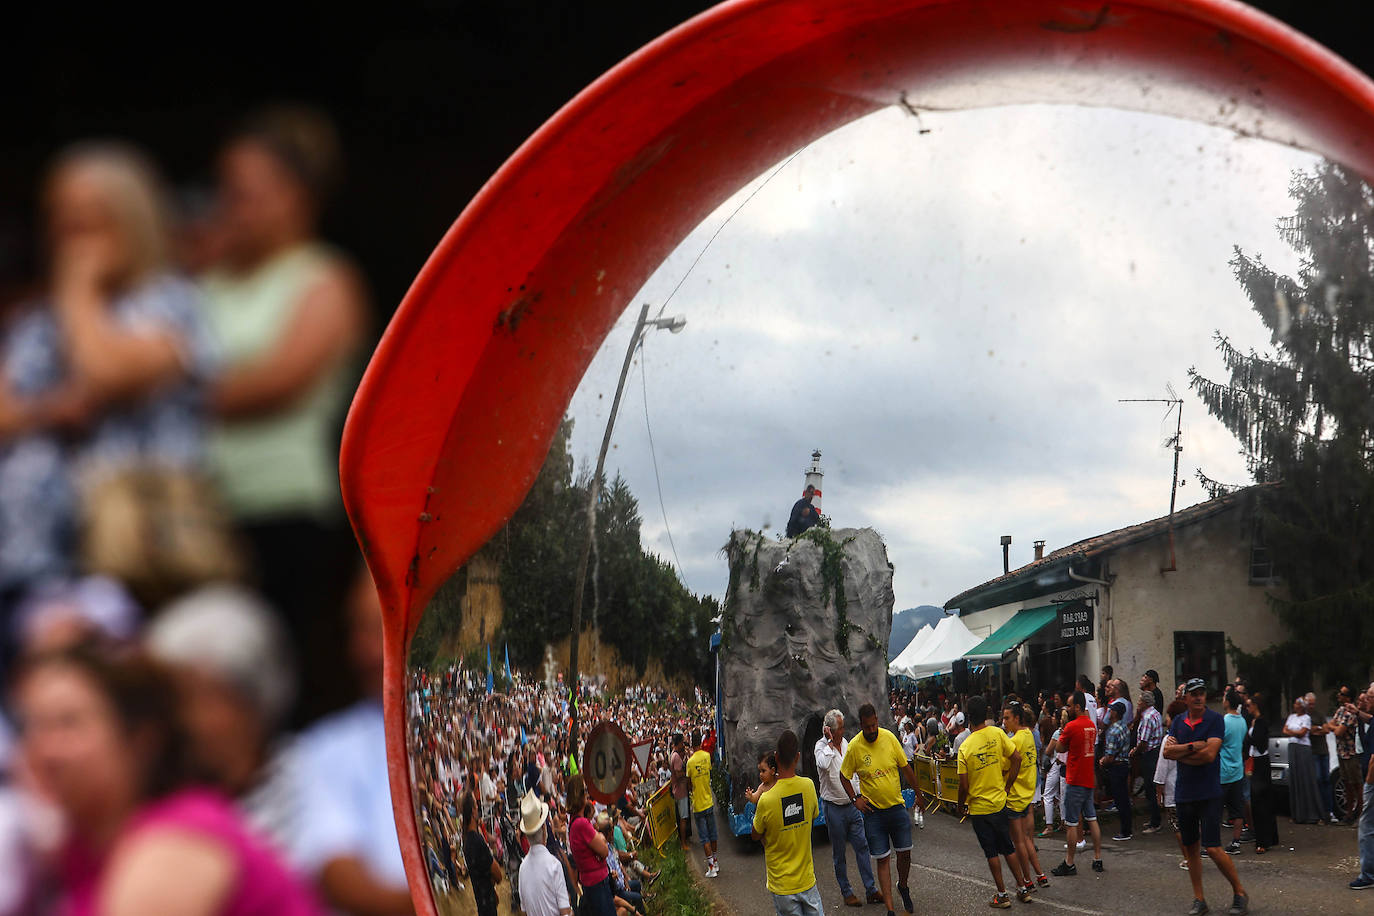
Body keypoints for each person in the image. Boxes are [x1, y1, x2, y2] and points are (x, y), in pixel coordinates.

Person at [201, 106, 368, 723]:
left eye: (247, 193)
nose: (231, 207)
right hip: (203, 516)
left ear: (296, 196)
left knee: (288, 678)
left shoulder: (325, 278)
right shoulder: (207, 282)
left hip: (289, 514)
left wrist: (168, 388)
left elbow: (279, 380)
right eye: (227, 192)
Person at [0, 143, 218, 606]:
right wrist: (50, 408)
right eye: (61, 219)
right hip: (30, 553)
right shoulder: (36, 321)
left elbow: (104, 373)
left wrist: (78, 289)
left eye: (90, 219)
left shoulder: (170, 302)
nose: (72, 236)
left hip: (139, 553)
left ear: (133, 219)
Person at [13, 643, 322, 916]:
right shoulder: (77, 847)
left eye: (68, 725)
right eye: (32, 726)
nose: (44, 749)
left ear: (141, 740)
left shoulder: (180, 837)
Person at [291, 567, 413, 915]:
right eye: (357, 631)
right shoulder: (323, 746)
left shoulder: (453, 725)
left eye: (379, 630)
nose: (364, 653)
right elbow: (342, 881)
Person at [143, 584, 298, 852]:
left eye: (196, 696)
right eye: (171, 700)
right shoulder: (157, 798)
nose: (182, 719)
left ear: (253, 700)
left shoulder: (316, 781)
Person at [1163, 678, 1249, 916]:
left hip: (1209, 792)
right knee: (1190, 849)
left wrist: (1180, 752)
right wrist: (1192, 747)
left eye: (1202, 693)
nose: (1199, 697)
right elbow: (1167, 752)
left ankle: (1240, 892)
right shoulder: (1178, 722)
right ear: (1186, 698)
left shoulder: (1215, 720)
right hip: (1184, 793)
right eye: (1194, 694)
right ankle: (1199, 899)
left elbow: (1210, 755)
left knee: (1212, 848)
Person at [840, 703, 925, 916]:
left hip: (896, 808)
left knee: (905, 854)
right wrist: (855, 799)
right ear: (861, 725)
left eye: (874, 725)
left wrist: (919, 794)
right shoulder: (854, 747)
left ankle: (903, 886)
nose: (871, 730)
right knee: (883, 859)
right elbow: (844, 776)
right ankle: (890, 909)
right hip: (873, 814)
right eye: (867, 727)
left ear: (877, 720)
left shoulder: (888, 738)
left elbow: (906, 768)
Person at [752, 730, 823, 916]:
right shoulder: (808, 786)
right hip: (807, 880)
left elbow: (755, 834)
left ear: (776, 757)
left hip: (781, 884)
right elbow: (814, 815)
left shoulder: (766, 800)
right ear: (797, 757)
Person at [814, 709, 879, 907]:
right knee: (839, 853)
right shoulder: (820, 746)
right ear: (830, 730)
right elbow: (823, 764)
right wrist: (830, 743)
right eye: (840, 728)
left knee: (862, 846)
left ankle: (871, 889)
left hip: (851, 805)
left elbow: (853, 772)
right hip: (833, 808)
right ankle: (847, 892)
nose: (843, 730)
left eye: (842, 727)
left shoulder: (846, 743)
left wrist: (858, 795)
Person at [1051, 691, 1103, 877]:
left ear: (1078, 707)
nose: (1068, 708)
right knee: (1092, 819)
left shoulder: (1072, 726)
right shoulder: (1091, 725)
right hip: (1088, 778)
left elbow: (1058, 748)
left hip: (1075, 780)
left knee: (1071, 823)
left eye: (1071, 705)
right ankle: (1097, 857)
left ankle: (1069, 862)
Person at [1000, 701, 1048, 899]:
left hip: (1014, 798)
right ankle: (1040, 875)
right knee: (1028, 839)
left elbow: (1003, 768)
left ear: (1017, 719)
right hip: (1028, 795)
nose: (1004, 722)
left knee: (1018, 842)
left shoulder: (1014, 742)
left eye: (1007, 718)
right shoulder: (1029, 734)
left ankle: (1027, 881)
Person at [517, 790, 571, 916]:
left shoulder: (522, 869)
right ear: (543, 829)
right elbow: (565, 913)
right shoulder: (553, 865)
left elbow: (524, 911)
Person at [568, 776, 616, 916]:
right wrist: (600, 837)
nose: (588, 794)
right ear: (580, 795)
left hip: (591, 883)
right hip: (597, 884)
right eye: (585, 790)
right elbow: (605, 850)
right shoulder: (582, 824)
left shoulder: (575, 823)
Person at [1243, 695, 1277, 855]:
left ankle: (1263, 840)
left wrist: (1249, 737)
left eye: (1249, 705)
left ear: (1256, 706)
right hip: (1257, 761)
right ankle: (1269, 837)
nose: (1247, 707)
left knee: (1259, 802)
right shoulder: (1255, 722)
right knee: (1263, 800)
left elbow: (1260, 743)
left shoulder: (1260, 722)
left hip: (1261, 763)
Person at [1283, 697, 1323, 824]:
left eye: (1297, 703)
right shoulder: (1291, 717)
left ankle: (1311, 813)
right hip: (1292, 748)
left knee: (1305, 778)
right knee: (1295, 779)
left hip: (1303, 749)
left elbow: (1302, 733)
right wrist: (1294, 732)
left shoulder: (1306, 718)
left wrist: (1291, 732)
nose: (1295, 705)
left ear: (1301, 706)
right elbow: (1284, 730)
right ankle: (1296, 814)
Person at [461, 792, 502, 916]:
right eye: (476, 805)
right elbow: (499, 875)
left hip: (482, 903)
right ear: (473, 811)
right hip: (488, 907)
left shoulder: (467, 841)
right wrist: (492, 880)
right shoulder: (477, 841)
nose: (478, 807)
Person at [686, 731, 719, 877]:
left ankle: (711, 868)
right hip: (709, 801)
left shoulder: (690, 762)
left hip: (698, 804)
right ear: (701, 742)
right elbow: (709, 772)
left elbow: (689, 784)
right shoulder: (706, 756)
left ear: (692, 745)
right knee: (713, 835)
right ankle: (716, 862)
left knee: (704, 837)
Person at [1219, 690, 1247, 854]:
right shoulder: (1242, 721)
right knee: (1237, 809)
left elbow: (1217, 742)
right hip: (1238, 770)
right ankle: (1236, 842)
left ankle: (1211, 843)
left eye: (1224, 698)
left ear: (1228, 702)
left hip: (1223, 771)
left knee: (1214, 809)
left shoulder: (1225, 721)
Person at [1133, 692, 1165, 834]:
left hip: (1149, 754)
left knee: (1150, 788)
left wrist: (1135, 751)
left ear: (1145, 703)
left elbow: (1144, 742)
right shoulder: (1156, 713)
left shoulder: (1146, 717)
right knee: (1152, 786)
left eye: (1139, 701)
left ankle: (1155, 822)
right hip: (1156, 752)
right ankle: (1154, 819)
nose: (1138, 704)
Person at [1101, 701, 1132, 842]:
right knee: (1124, 798)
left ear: (1115, 713)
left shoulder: (1113, 731)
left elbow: (1110, 757)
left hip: (1116, 767)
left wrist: (1102, 761)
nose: (1109, 711)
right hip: (1124, 765)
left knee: (1120, 800)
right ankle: (1127, 828)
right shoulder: (1124, 727)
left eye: (1111, 710)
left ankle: (1125, 831)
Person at [1306, 691, 1338, 823]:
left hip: (1323, 751)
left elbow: (1326, 729)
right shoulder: (1304, 716)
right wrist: (1316, 729)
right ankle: (1319, 811)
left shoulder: (1319, 714)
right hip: (1313, 752)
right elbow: (1306, 730)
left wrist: (1315, 729)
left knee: (1326, 780)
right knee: (1318, 779)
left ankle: (1329, 811)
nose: (1312, 706)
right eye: (1309, 704)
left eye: (1313, 704)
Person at [1332, 686, 1362, 822]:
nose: (1339, 695)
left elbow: (1338, 732)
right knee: (1346, 784)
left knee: (1356, 784)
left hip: (1351, 754)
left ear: (1348, 697)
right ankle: (1349, 813)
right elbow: (1329, 726)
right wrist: (1336, 727)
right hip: (1341, 752)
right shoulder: (1340, 711)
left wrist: (1336, 728)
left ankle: (1360, 813)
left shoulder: (1350, 713)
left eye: (1342, 693)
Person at [1039, 709, 1068, 838]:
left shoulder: (1058, 733)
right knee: (1062, 794)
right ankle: (1064, 822)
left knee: (1048, 794)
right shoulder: (1068, 731)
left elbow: (1049, 750)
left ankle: (1049, 825)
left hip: (1056, 763)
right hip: (1065, 765)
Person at [669, 733, 691, 849]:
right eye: (682, 742)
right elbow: (678, 774)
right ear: (678, 743)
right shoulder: (676, 757)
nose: (683, 744)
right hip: (680, 791)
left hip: (678, 790)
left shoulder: (673, 754)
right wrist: (687, 772)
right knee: (683, 818)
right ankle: (683, 843)